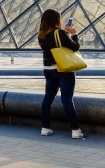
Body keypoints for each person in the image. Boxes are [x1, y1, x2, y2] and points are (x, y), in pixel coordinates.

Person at [38, 9, 83, 139]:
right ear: (57, 20)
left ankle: (45, 128)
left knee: (48, 99)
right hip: (62, 69)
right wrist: (74, 34)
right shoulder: (60, 33)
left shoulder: (41, 35)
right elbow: (75, 47)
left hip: (48, 70)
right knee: (67, 99)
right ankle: (75, 130)